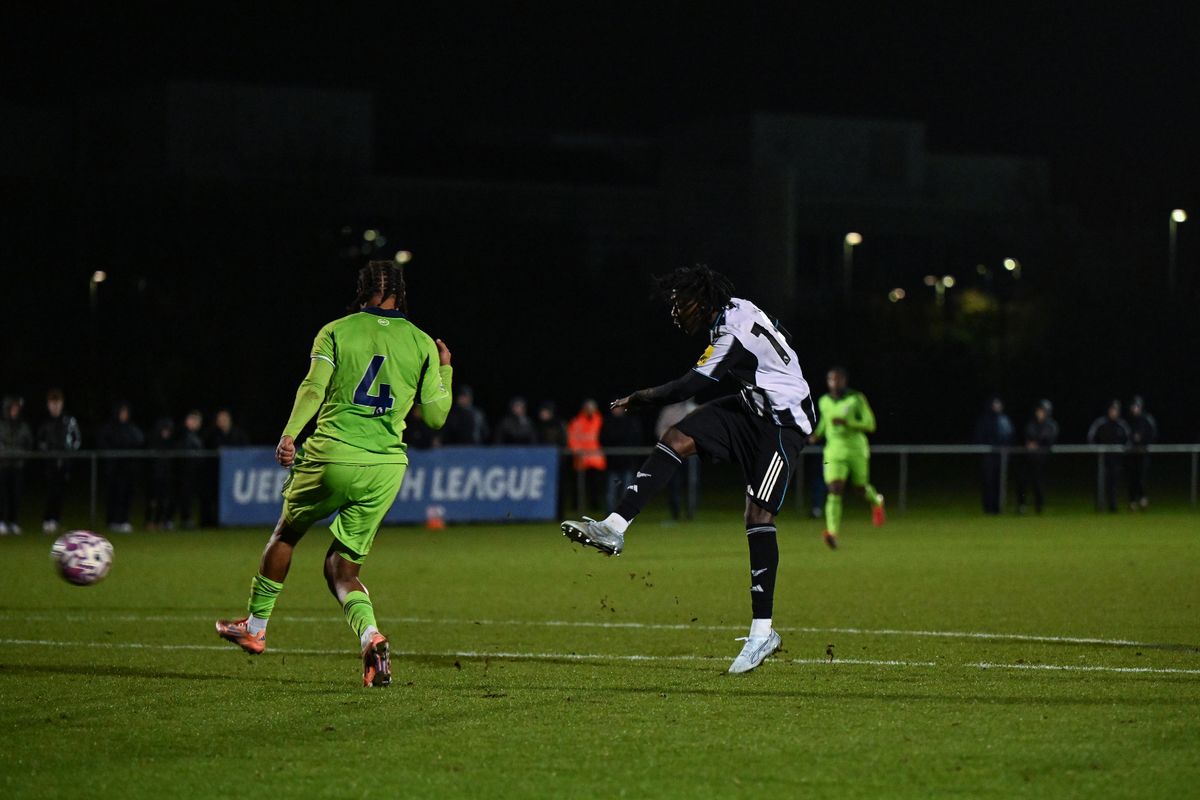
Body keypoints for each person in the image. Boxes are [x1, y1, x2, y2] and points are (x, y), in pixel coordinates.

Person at [561, 265, 815, 674]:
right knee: (676, 437)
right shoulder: (737, 310)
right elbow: (776, 335)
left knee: (758, 516)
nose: (677, 311)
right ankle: (614, 526)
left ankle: (762, 632)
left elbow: (688, 386)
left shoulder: (729, 334)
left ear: (704, 300)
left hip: (782, 425)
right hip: (752, 407)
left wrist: (641, 397)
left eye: (682, 303)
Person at [216, 260, 453, 688]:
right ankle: (371, 636)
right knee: (342, 570)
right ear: (402, 292)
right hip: (384, 468)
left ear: (362, 290)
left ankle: (254, 627)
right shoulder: (421, 342)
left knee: (286, 534)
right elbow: (436, 417)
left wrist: (290, 433)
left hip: (333, 455)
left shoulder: (336, 330)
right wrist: (446, 368)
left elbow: (313, 386)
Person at [807, 367, 884, 549]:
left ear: (844, 381)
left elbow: (870, 424)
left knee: (859, 488)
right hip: (833, 451)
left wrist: (849, 422)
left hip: (856, 449)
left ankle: (877, 501)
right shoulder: (824, 401)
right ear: (828, 382)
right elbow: (825, 422)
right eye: (831, 380)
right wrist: (816, 435)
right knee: (834, 488)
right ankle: (832, 532)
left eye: (838, 379)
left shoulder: (856, 398)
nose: (834, 383)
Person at [37, 389, 81, 534]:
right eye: (52, 403)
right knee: (50, 491)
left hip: (64, 463)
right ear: (48, 404)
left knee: (60, 493)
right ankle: (47, 521)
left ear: (61, 404)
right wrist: (47, 453)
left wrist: (68, 454)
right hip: (49, 464)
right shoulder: (44, 422)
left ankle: (55, 521)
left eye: (57, 403)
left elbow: (77, 440)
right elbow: (40, 441)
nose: (55, 406)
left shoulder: (69, 420)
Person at [97, 402, 143, 533]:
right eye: (121, 412)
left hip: (128, 469)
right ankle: (112, 521)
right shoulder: (110, 428)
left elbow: (139, 440)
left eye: (126, 412)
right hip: (114, 469)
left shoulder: (132, 428)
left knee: (127, 494)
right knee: (114, 494)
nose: (124, 415)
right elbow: (103, 442)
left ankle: (123, 520)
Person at [203, 408, 249, 526]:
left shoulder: (238, 434)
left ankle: (234, 519)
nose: (223, 421)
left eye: (225, 418)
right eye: (220, 419)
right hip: (215, 472)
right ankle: (212, 521)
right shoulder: (211, 435)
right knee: (213, 497)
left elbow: (245, 451)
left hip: (234, 472)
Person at [655, 400, 699, 521]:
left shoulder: (693, 408)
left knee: (691, 483)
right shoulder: (669, 411)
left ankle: (690, 513)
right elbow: (660, 429)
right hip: (672, 452)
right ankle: (675, 514)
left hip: (690, 454)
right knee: (673, 483)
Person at [1015, 399, 1058, 515]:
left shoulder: (1051, 425)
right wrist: (1029, 443)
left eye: (1043, 411)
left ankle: (1039, 507)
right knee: (1022, 481)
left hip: (1042, 460)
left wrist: (1037, 443)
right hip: (1028, 458)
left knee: (1038, 483)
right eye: (1039, 411)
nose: (1040, 413)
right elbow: (1026, 435)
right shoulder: (1031, 423)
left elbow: (1049, 439)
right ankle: (1022, 505)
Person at [1088, 400, 1130, 513]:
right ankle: (1099, 506)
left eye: (1115, 410)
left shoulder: (1122, 425)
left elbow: (1128, 441)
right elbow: (1091, 438)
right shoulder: (1100, 423)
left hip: (1116, 460)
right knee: (1100, 483)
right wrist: (1097, 450)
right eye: (1111, 410)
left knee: (1114, 483)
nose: (1113, 412)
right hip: (1102, 460)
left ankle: (1113, 507)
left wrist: (1122, 451)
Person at [973, 396, 1013, 515]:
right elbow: (979, 437)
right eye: (995, 405)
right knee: (988, 482)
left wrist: (1007, 447)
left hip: (1002, 456)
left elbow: (1010, 435)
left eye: (999, 405)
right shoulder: (984, 420)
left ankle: (998, 508)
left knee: (999, 482)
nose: (997, 407)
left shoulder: (1005, 419)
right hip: (989, 456)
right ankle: (988, 508)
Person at [0, 396, 34, 535]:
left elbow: (29, 444)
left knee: (16, 494)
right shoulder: (1, 426)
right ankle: (2, 522)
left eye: (17, 409)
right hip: (2, 466)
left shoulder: (23, 426)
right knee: (2, 495)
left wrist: (19, 454)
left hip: (18, 466)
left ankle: (13, 522)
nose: (15, 411)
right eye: (12, 409)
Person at [601, 404, 644, 511]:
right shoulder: (607, 423)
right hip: (613, 465)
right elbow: (603, 439)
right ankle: (610, 517)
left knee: (626, 491)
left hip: (627, 464)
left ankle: (623, 515)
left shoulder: (631, 422)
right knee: (612, 491)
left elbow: (636, 439)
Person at [567, 399, 607, 510]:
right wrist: (576, 451)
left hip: (595, 459)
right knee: (578, 486)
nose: (590, 410)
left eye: (592, 407)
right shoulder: (577, 422)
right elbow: (572, 438)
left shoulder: (600, 420)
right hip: (581, 459)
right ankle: (576, 506)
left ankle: (595, 505)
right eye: (588, 407)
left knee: (595, 485)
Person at [175, 410, 205, 529]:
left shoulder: (196, 436)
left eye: (198, 421)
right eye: (193, 420)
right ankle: (184, 520)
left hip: (192, 472)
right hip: (183, 472)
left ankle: (187, 519)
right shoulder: (182, 434)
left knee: (190, 497)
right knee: (183, 496)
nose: (196, 423)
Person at [1126, 395, 1157, 510]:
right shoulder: (1129, 420)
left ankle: (1142, 497)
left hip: (1143, 454)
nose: (1134, 409)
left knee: (1140, 477)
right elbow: (1126, 435)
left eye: (1137, 406)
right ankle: (1132, 501)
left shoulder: (1147, 419)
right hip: (1131, 454)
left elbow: (1153, 434)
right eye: (1133, 406)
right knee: (1131, 478)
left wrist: (1143, 441)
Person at [146, 417, 175, 530]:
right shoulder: (153, 442)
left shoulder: (171, 443)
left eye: (168, 430)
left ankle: (159, 521)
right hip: (154, 476)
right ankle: (149, 521)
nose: (166, 432)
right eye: (164, 430)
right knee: (152, 500)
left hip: (166, 476)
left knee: (164, 500)